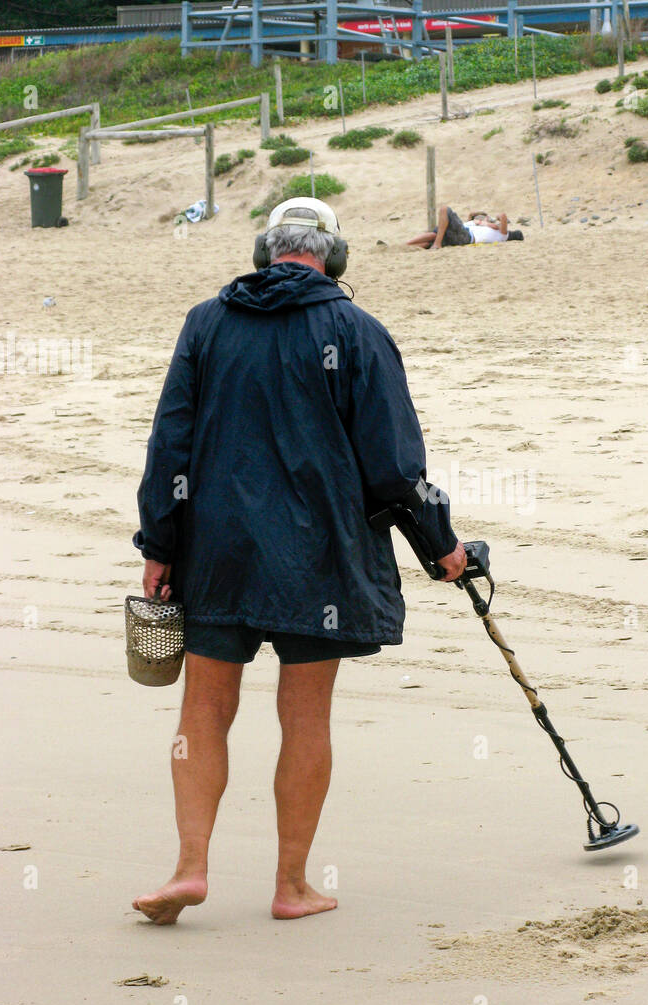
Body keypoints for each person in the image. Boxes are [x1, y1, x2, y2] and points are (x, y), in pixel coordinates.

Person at [131, 197, 466, 924]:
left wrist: (159, 544)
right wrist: (442, 545)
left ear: (266, 252)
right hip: (322, 557)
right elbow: (394, 466)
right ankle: (291, 886)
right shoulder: (357, 330)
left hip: (215, 550)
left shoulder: (207, 323)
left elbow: (170, 446)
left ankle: (189, 869)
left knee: (204, 709)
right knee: (306, 715)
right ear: (334, 257)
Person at [406, 205, 523, 250]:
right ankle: (407, 246)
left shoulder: (503, 236)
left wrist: (495, 218)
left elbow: (502, 216)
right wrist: (485, 222)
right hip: (463, 236)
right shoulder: (485, 227)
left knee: (444, 209)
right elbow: (471, 216)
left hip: (467, 236)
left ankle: (437, 244)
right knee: (432, 239)